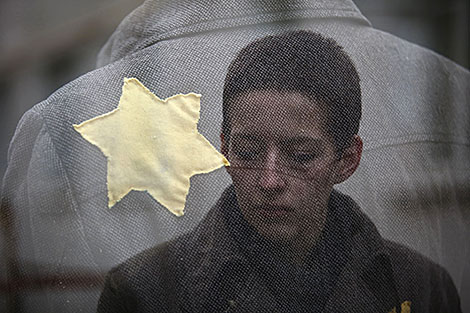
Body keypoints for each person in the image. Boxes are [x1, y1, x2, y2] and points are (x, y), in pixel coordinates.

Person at [96, 31, 462, 313]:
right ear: (223, 148)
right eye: (248, 152)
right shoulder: (143, 292)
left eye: (301, 157)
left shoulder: (419, 287)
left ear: (347, 160)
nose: (269, 181)